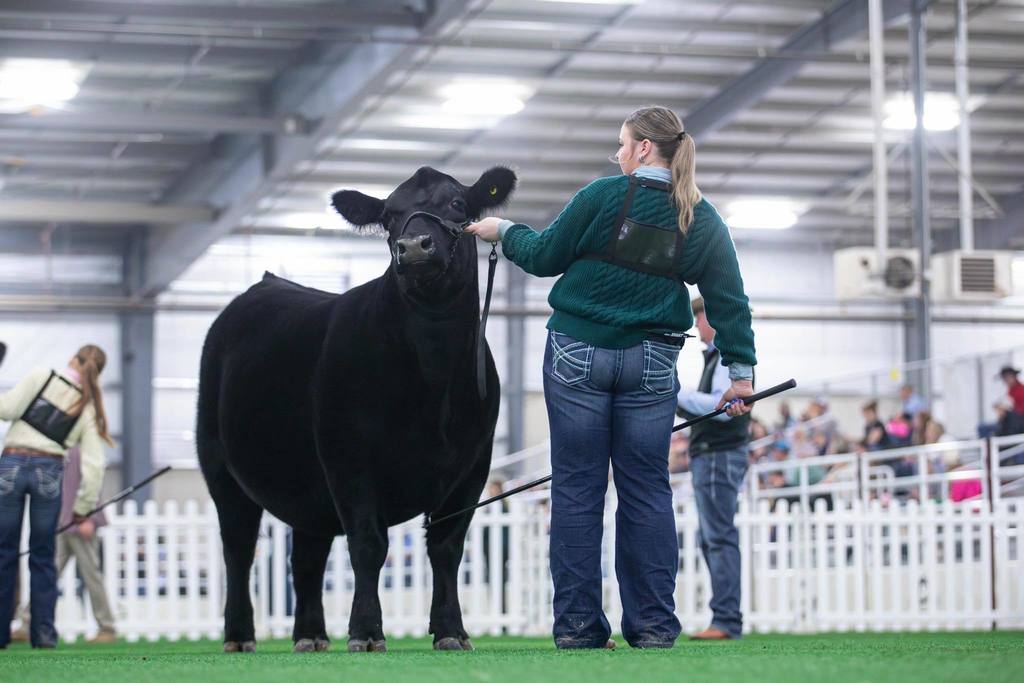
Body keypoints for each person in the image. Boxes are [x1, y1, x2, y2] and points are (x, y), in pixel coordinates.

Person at [466, 106, 756, 650]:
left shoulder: (601, 196)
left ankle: (577, 629)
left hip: (576, 352)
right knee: (647, 491)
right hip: (651, 361)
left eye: (621, 144)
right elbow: (729, 296)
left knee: (577, 490)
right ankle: (652, 628)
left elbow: (546, 255)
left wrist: (503, 231)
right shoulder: (699, 214)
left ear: (644, 148)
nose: (617, 154)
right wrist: (740, 374)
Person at [0, 345, 112, 649]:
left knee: (4, 551)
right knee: (43, 555)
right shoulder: (87, 407)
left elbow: (6, 410)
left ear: (72, 359)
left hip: (12, 462)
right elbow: (95, 466)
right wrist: (82, 508)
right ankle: (44, 634)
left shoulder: (41, 377)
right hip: (49, 469)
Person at [676, 296, 751, 640]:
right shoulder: (719, 358)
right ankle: (724, 618)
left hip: (718, 453)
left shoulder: (726, 359)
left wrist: (676, 395)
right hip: (714, 454)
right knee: (715, 538)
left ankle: (726, 620)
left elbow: (723, 408)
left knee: (718, 537)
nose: (696, 325)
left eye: (699, 317)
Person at [12, 447, 117, 644]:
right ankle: (27, 623)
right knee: (47, 573)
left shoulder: (82, 449)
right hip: (61, 523)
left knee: (91, 576)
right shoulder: (57, 449)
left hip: (81, 522)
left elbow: (92, 483)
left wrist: (91, 517)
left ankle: (107, 627)